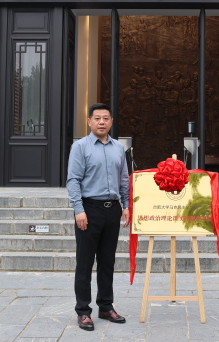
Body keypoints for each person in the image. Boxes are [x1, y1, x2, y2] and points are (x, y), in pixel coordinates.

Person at [67, 103, 130, 331]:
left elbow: (124, 178)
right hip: (89, 209)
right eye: (97, 118)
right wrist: (78, 209)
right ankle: (83, 311)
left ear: (111, 122)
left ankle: (105, 306)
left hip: (112, 209)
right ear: (89, 121)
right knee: (85, 262)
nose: (101, 122)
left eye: (105, 118)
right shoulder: (80, 147)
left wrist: (126, 205)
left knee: (107, 261)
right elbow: (73, 180)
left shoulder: (118, 148)